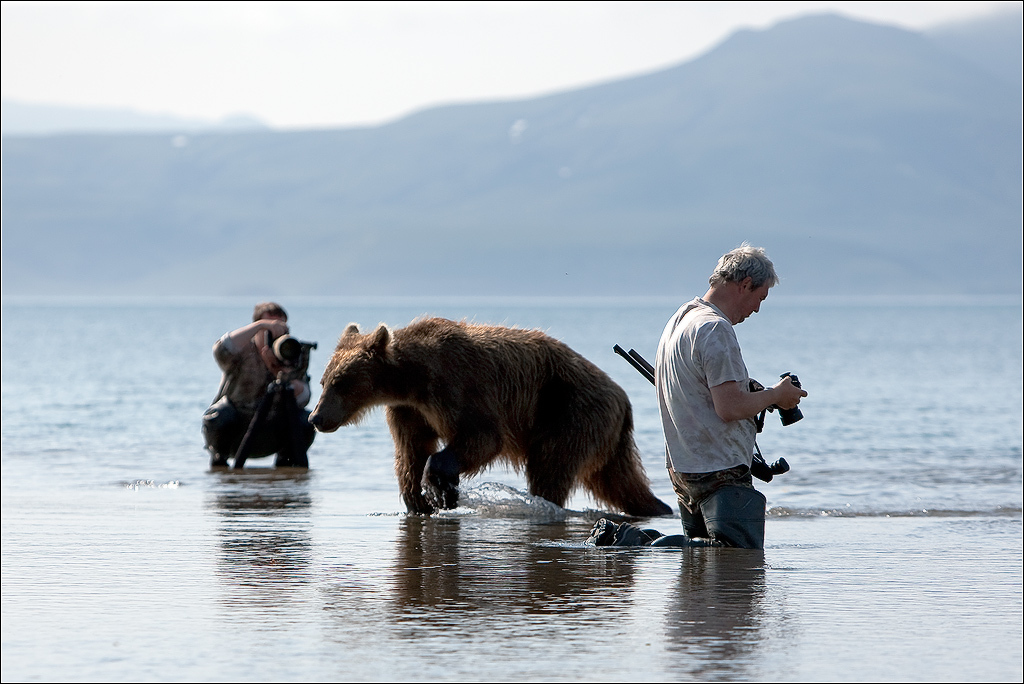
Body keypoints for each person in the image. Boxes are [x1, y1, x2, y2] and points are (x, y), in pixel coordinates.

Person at [652, 244, 806, 548]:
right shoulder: (714, 329)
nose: (757, 309)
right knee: (738, 562)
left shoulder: (680, 320)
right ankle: (632, 541)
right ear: (745, 285)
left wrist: (754, 392)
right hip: (718, 469)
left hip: (683, 467)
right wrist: (777, 394)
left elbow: (704, 393)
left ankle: (639, 544)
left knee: (698, 572)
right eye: (759, 298)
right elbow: (730, 407)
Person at [202, 302, 316, 469]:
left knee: (307, 421)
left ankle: (286, 472)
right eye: (270, 329)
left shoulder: (291, 354)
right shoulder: (242, 351)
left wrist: (290, 381)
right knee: (219, 415)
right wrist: (260, 326)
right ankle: (220, 467)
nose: (275, 334)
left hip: (273, 431)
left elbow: (304, 398)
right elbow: (222, 348)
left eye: (280, 329)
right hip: (237, 430)